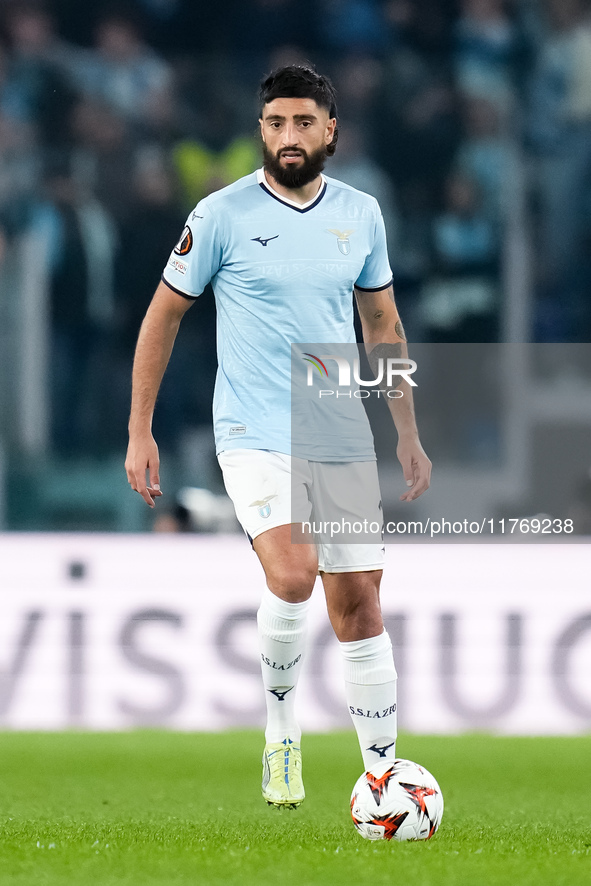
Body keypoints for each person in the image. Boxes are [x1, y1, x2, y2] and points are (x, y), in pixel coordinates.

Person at [125, 64, 431, 809]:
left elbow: (382, 324)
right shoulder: (221, 214)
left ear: (330, 131)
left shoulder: (360, 213)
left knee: (357, 600)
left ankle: (383, 771)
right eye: (273, 123)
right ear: (259, 131)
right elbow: (164, 314)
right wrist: (140, 429)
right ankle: (281, 731)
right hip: (253, 426)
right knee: (293, 573)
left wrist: (406, 433)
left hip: (335, 424)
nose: (287, 137)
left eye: (301, 123)